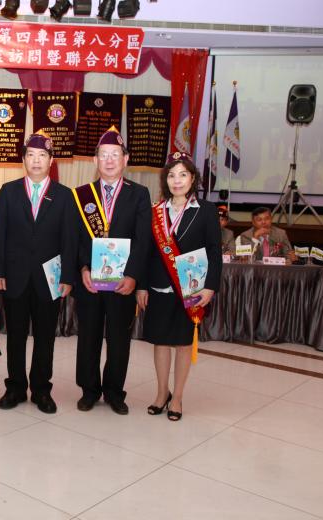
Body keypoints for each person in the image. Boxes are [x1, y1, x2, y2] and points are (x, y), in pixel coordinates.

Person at [0, 133, 75, 414]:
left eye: (42, 156)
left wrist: (68, 277)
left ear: (51, 161)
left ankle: (41, 390)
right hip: (14, 277)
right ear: (23, 159)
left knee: (45, 337)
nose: (36, 161)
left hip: (50, 279)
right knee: (15, 336)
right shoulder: (9, 191)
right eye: (31, 155)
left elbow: (69, 240)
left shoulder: (65, 195)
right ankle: (15, 387)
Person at [137, 152, 222, 421]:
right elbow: (145, 252)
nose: (177, 181)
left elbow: (214, 252)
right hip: (158, 288)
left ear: (192, 178)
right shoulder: (155, 211)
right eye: (172, 175)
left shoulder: (206, 211)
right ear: (165, 180)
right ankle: (162, 393)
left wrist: (210, 286)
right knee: (160, 343)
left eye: (183, 175)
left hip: (191, 289)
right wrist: (141, 286)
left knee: (184, 344)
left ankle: (178, 398)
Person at [73, 126, 151, 416]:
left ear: (125, 159)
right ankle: (89, 390)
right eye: (103, 155)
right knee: (88, 337)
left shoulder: (139, 194)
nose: (109, 160)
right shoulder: (81, 195)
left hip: (122, 282)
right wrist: (82, 267)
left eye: (115, 155)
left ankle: (115, 392)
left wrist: (133, 275)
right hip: (90, 281)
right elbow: (75, 239)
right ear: (95, 160)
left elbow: (143, 240)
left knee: (119, 339)